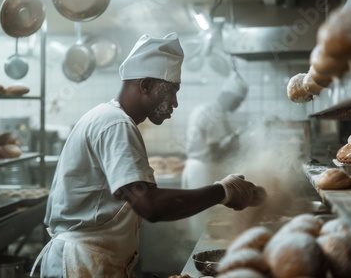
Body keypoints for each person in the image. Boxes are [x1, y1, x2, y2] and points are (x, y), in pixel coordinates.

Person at [31, 32, 266, 278]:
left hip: (94, 261)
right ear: (145, 85)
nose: (175, 103)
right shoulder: (115, 124)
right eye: (171, 91)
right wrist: (224, 191)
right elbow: (150, 205)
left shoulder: (112, 119)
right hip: (82, 265)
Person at [181, 71, 249, 240]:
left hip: (195, 168)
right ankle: (201, 258)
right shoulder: (214, 114)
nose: (238, 106)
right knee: (205, 223)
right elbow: (215, 153)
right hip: (203, 171)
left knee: (199, 220)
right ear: (228, 95)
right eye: (237, 101)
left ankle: (199, 254)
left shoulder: (205, 109)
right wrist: (234, 142)